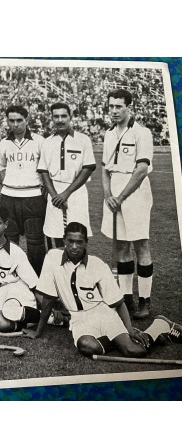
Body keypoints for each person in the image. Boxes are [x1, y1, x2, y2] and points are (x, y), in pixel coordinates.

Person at [32, 222, 182, 357]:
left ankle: (159, 326)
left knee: (135, 351)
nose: (74, 246)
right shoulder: (52, 258)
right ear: (64, 240)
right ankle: (121, 340)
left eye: (79, 242)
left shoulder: (97, 265)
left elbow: (118, 303)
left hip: (104, 313)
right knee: (87, 345)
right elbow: (47, 300)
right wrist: (38, 333)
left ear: (86, 243)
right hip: (79, 319)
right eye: (70, 241)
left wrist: (129, 331)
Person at [0, 205, 67, 333]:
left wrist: (49, 308)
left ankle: (47, 316)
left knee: (6, 318)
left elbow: (34, 285)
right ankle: (33, 317)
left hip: (18, 290)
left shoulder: (16, 252)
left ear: (6, 225)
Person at [101, 89, 154, 318]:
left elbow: (141, 169)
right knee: (121, 247)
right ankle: (126, 299)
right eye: (111, 106)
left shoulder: (142, 133)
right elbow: (104, 168)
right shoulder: (108, 133)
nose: (114, 110)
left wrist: (120, 197)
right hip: (113, 193)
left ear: (129, 108)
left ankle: (144, 301)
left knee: (140, 245)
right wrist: (107, 195)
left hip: (134, 193)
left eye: (118, 106)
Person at [38, 102, 96, 248]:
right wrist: (54, 195)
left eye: (64, 116)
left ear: (70, 117)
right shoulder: (47, 142)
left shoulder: (83, 140)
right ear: (51, 118)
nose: (60, 120)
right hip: (54, 192)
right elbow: (43, 171)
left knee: (78, 233)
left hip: (76, 191)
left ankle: (78, 268)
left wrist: (66, 193)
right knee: (56, 233)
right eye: (56, 116)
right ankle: (58, 267)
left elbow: (88, 168)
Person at [0, 105, 46, 275]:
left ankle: (37, 279)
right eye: (12, 121)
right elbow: (1, 166)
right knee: (10, 239)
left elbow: (46, 168)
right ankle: (13, 276)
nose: (15, 124)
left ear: (27, 120)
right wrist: (7, 182)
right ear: (7, 121)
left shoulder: (39, 141)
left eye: (19, 120)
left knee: (36, 241)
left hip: (33, 196)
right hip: (8, 197)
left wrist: (42, 185)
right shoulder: (4, 143)